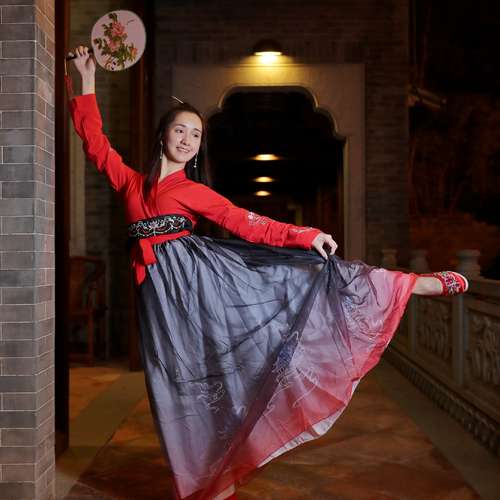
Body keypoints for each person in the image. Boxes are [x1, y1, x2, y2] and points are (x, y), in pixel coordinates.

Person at [67, 46, 468, 500]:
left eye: (196, 134)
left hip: (200, 288)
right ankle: (203, 480)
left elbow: (246, 222)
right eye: (180, 130)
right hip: (158, 302)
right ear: (162, 136)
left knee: (241, 346)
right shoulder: (130, 183)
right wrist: (86, 78)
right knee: (172, 387)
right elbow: (94, 143)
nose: (187, 139)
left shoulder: (193, 191)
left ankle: (410, 284)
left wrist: (303, 235)